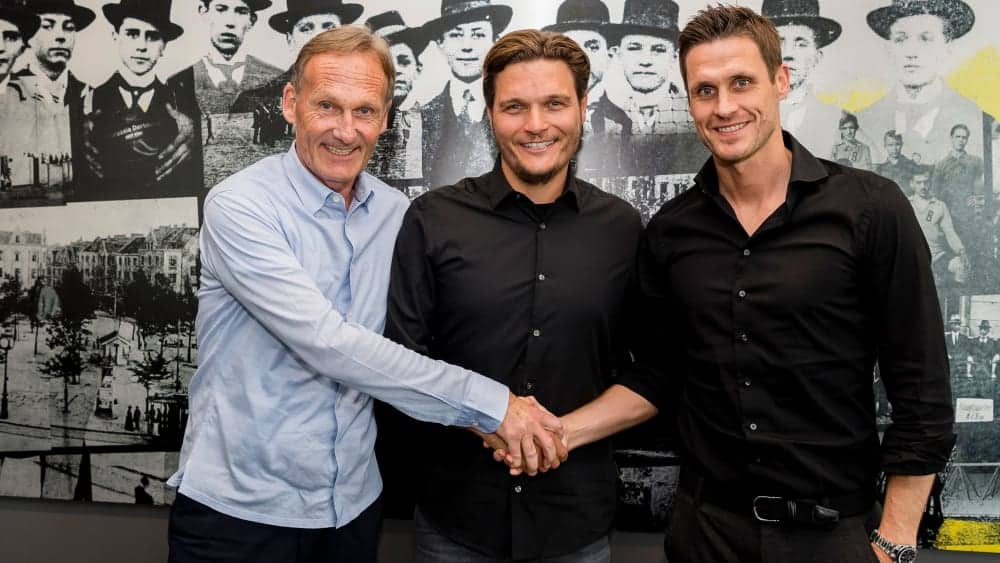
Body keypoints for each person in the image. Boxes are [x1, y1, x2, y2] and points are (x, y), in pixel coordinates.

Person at [490, 6, 956, 562]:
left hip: (833, 533)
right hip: (706, 532)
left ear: (781, 80)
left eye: (742, 83)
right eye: (705, 90)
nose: (724, 107)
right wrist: (552, 433)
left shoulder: (870, 208)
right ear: (689, 101)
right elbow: (658, 374)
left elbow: (921, 385)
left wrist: (896, 540)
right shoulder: (671, 230)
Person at [166, 26, 565, 563]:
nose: (345, 131)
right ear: (290, 103)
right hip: (240, 514)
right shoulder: (240, 206)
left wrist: (497, 420)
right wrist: (495, 408)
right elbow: (328, 343)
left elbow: (410, 344)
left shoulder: (397, 215)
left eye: (364, 111)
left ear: (385, 118)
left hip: (352, 509)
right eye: (327, 106)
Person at [384, 29, 641, 562]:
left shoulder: (622, 228)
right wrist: (491, 417)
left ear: (583, 108)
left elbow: (653, 372)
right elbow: (402, 362)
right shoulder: (433, 219)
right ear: (490, 114)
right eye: (515, 107)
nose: (535, 124)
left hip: (575, 527)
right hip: (456, 525)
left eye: (555, 104)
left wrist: (554, 435)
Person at [75, 0, 202, 201]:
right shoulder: (86, 102)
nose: (141, 46)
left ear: (164, 45)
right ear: (115, 36)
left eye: (153, 37)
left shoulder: (183, 103)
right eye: (132, 34)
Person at [859, 0, 983, 164]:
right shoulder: (862, 121)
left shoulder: (976, 118)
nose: (911, 52)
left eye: (926, 39)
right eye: (900, 39)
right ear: (889, 48)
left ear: (948, 47)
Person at [420, 0, 511, 189]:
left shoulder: (516, 111)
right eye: (456, 35)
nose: (466, 46)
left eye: (478, 34)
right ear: (440, 43)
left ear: (495, 42)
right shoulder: (422, 117)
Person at [615, 0, 706, 177]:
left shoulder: (698, 119)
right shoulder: (604, 120)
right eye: (634, 48)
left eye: (658, 49)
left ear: (674, 57)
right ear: (619, 54)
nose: (645, 61)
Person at [543, 0, 631, 177]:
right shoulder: (537, 121)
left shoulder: (622, 122)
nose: (581, 58)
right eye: (570, 47)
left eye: (592, 47)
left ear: (610, 54)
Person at [14, 0, 94, 171]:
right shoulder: (9, 93)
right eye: (47, 26)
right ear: (27, 37)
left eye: (69, 27)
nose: (60, 36)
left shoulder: (92, 97)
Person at [763, 0, 843, 159]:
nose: (788, 54)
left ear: (817, 57)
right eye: (778, 42)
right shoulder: (741, 114)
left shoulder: (837, 120)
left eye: (801, 44)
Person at [364, 10, 430, 185]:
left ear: (418, 69)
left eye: (404, 61)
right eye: (386, 64)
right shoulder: (354, 127)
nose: (396, 71)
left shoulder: (432, 120)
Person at [192, 0, 281, 115]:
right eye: (220, 9)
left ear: (252, 20)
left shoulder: (276, 79)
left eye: (241, 12)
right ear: (204, 13)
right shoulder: (178, 83)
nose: (230, 22)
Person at [907, 167, 966, 286]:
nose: (923, 186)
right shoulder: (904, 204)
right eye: (919, 183)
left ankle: (956, 296)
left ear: (930, 183)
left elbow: (949, 232)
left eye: (926, 182)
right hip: (911, 256)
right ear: (912, 184)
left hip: (937, 256)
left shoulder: (939, 206)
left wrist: (961, 250)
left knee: (960, 266)